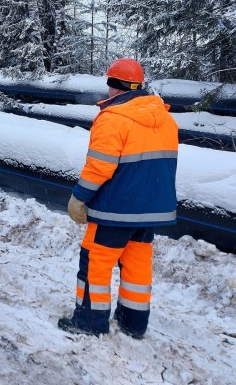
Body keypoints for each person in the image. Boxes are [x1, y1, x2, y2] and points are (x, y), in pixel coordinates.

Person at [58, 58, 178, 339]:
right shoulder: (165, 119)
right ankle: (133, 323)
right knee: (137, 265)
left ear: (112, 85)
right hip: (150, 211)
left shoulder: (114, 119)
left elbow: (100, 165)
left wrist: (79, 198)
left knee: (95, 264)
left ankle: (89, 321)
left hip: (115, 210)